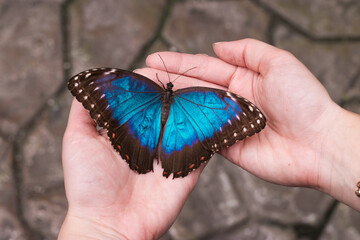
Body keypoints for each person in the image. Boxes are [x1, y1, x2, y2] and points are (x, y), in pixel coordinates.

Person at [58, 39, 360, 239]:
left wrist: (98, 227)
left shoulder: (137, 87)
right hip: (173, 136)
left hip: (141, 129)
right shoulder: (202, 99)